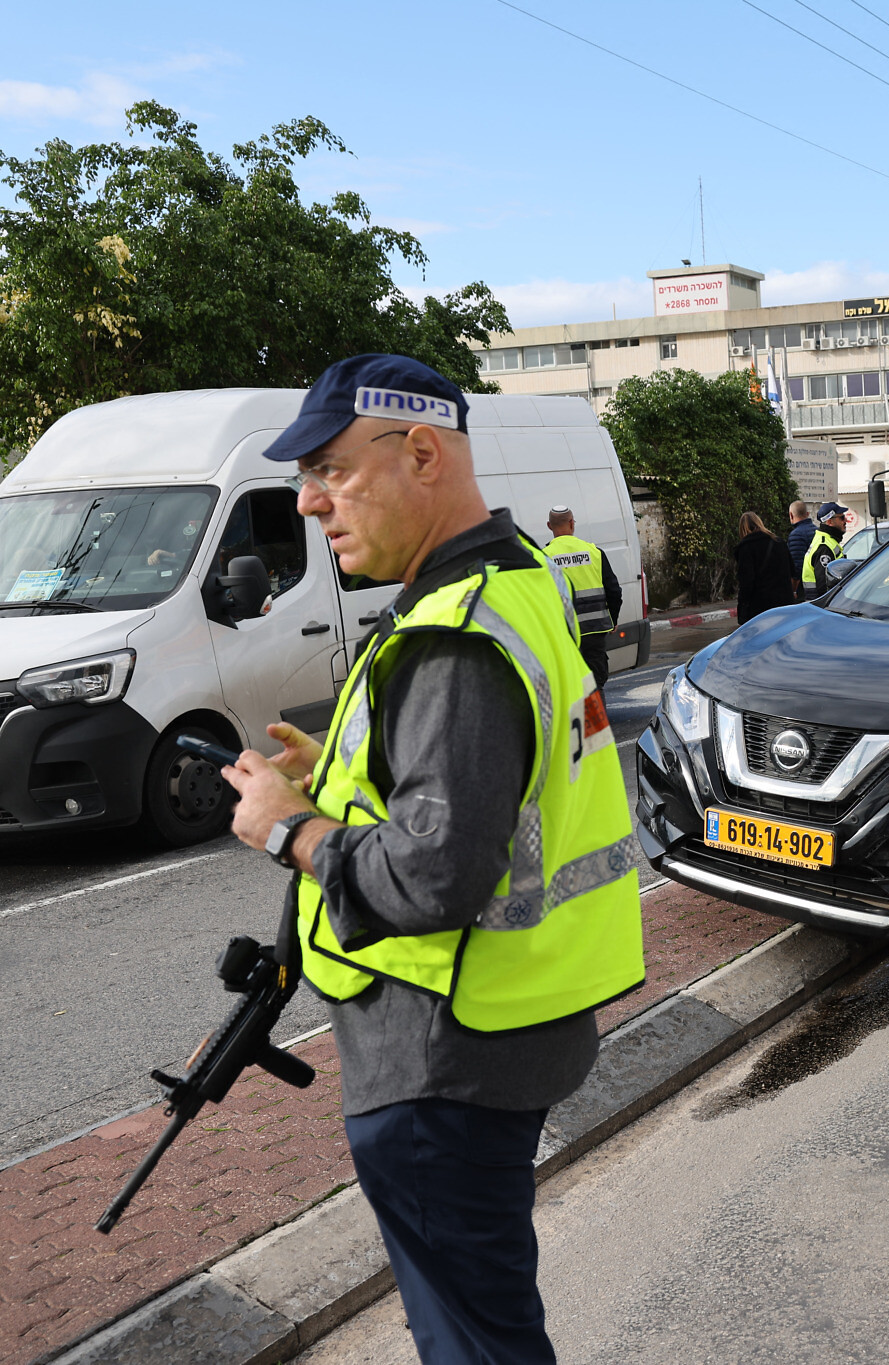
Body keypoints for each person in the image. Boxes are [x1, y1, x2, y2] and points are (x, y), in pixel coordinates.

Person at [218, 354, 642, 1365]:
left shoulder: (452, 636)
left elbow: (435, 877)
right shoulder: (516, 580)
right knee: (479, 1315)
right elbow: (490, 782)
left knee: (475, 1341)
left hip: (443, 1060)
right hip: (505, 1027)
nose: (312, 504)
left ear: (419, 451)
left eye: (330, 470)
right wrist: (345, 770)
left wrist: (288, 828)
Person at [542, 506, 622, 690]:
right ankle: (597, 718)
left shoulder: (544, 557)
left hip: (564, 635)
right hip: (594, 631)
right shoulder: (594, 552)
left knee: (570, 686)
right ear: (572, 523)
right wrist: (613, 620)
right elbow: (614, 591)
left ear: (549, 526)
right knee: (595, 683)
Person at [733, 510, 797, 623]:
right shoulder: (779, 542)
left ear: (742, 529)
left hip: (760, 609)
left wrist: (743, 607)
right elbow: (793, 573)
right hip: (784, 604)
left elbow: (746, 582)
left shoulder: (746, 548)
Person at [801, 502, 849, 599]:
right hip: (822, 605)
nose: (846, 520)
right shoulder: (824, 547)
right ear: (830, 522)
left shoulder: (827, 540)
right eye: (842, 517)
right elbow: (823, 587)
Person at [786, 501, 815, 594]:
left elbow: (797, 567)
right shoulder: (817, 530)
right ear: (807, 514)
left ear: (791, 515)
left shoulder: (796, 535)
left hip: (803, 588)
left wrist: (793, 590)